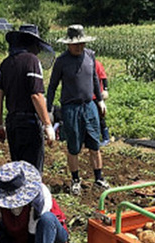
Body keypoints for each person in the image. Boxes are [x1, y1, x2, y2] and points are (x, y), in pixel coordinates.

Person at [46, 24, 109, 195]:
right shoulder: (61, 61)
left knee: (95, 144)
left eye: (82, 44)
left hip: (89, 106)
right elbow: (52, 87)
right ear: (68, 44)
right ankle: (75, 180)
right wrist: (48, 110)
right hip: (71, 108)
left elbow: (95, 79)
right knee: (73, 146)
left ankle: (99, 178)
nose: (79, 47)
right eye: (76, 44)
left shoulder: (90, 55)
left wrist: (100, 100)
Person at [0, 24, 55, 173]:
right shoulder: (32, 61)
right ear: (32, 43)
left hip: (12, 123)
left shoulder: (5, 63)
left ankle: (20, 195)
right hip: (29, 123)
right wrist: (47, 124)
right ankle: (32, 196)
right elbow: (36, 95)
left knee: (18, 168)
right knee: (33, 171)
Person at [94, 59, 110, 146]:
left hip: (97, 96)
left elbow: (103, 78)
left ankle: (105, 137)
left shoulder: (97, 64)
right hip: (85, 97)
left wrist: (105, 90)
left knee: (100, 116)